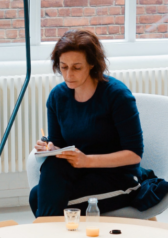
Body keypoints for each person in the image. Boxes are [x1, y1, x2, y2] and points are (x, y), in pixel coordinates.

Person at [29, 29, 144, 218]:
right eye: (63, 67)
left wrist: (87, 161)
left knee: (41, 200)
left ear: (92, 64)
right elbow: (60, 145)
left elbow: (134, 154)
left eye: (76, 67)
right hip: (81, 172)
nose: (68, 74)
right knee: (42, 185)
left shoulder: (117, 96)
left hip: (118, 178)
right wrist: (50, 148)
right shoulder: (58, 96)